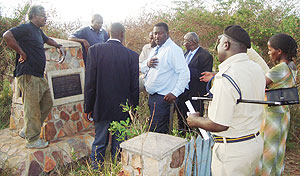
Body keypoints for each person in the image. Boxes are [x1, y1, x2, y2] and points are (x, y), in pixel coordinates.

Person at [186, 25, 266, 175]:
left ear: (226, 45)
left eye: (219, 43)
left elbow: (219, 124)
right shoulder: (257, 69)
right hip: (254, 144)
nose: (217, 48)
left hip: (233, 152)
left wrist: (194, 120)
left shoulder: (226, 77)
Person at [3, 5, 62, 149]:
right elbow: (7, 35)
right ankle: (32, 140)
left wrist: (59, 46)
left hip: (38, 75)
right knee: (32, 108)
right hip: (28, 74)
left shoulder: (38, 32)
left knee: (47, 103)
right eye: (42, 15)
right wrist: (21, 53)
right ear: (34, 16)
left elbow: (48, 40)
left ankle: (27, 130)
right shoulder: (26, 28)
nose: (45, 17)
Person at [84, 22, 139, 167]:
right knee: (119, 143)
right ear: (122, 34)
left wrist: (87, 107)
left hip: (101, 106)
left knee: (100, 141)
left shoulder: (95, 50)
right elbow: (135, 87)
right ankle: (117, 168)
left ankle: (97, 169)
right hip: (122, 108)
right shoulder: (132, 56)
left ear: (109, 33)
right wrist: (134, 109)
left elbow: (89, 83)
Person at [255, 33, 298, 176]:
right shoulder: (291, 67)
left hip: (272, 117)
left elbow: (256, 83)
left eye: (270, 49)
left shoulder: (280, 69)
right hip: (283, 114)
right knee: (277, 151)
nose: (268, 53)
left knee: (266, 152)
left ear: (279, 51)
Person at [140, 22, 190, 134]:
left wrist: (175, 92)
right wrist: (147, 63)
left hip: (163, 98)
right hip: (153, 97)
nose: (157, 36)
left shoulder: (173, 50)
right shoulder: (155, 49)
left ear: (167, 34)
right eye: (155, 33)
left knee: (158, 132)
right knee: (153, 130)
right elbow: (143, 67)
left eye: (160, 33)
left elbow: (184, 74)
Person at [176, 32, 213, 132]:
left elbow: (204, 76)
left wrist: (186, 70)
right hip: (183, 92)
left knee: (193, 119)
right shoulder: (185, 54)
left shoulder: (205, 56)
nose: (183, 43)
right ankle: (182, 136)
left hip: (195, 93)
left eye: (185, 41)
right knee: (181, 118)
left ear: (192, 42)